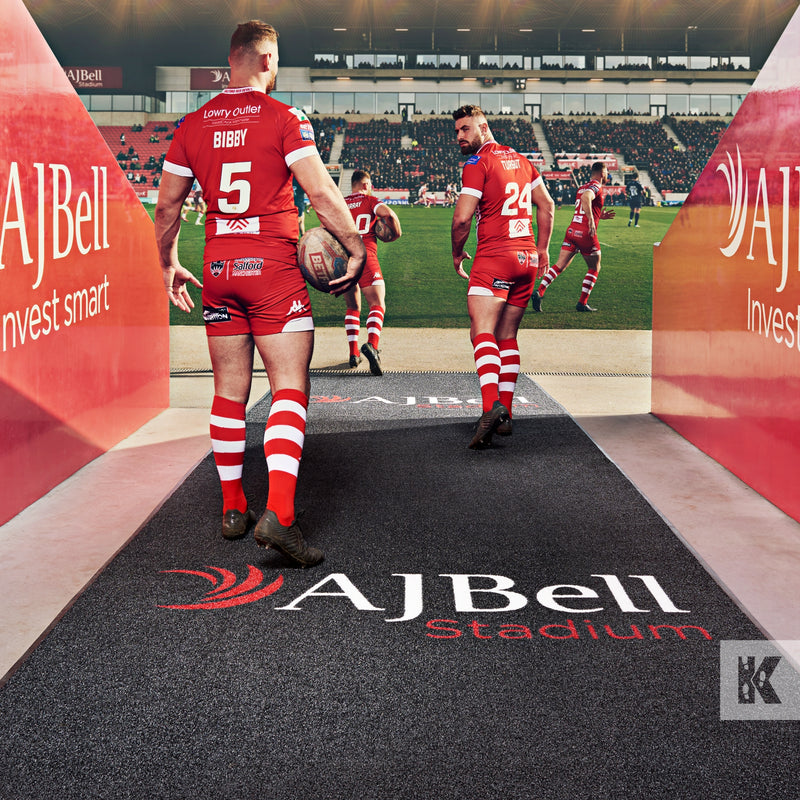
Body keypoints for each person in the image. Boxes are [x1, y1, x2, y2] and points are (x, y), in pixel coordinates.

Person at [154, 20, 366, 567]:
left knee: (229, 390)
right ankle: (281, 517)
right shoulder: (284, 116)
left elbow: (168, 205)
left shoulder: (192, 124)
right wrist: (355, 246)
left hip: (219, 267)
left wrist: (168, 262)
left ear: (232, 59)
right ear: (267, 60)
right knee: (289, 387)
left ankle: (232, 508)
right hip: (272, 268)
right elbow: (321, 191)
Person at [451, 104, 554, 449]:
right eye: (457, 131)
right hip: (527, 260)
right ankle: (505, 415)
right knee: (507, 335)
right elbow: (547, 205)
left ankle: (489, 408)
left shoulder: (477, 162)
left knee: (481, 331)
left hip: (495, 257)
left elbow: (462, 219)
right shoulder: (523, 161)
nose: (459, 136)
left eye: (465, 129)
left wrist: (456, 252)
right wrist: (543, 250)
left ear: (483, 127)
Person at [532, 161, 615, 313]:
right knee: (594, 267)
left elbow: (583, 204)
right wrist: (591, 220)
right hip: (585, 233)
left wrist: (598, 215)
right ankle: (582, 303)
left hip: (572, 231)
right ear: (602, 173)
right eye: (607, 172)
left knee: (560, 265)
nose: (607, 175)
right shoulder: (596, 186)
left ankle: (539, 291)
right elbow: (586, 198)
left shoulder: (582, 186)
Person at [342, 170, 402, 374]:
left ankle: (353, 354)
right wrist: (396, 233)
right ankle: (372, 346)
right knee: (377, 304)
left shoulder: (341, 203)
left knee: (352, 306)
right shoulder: (370, 200)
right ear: (366, 185)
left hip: (345, 258)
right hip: (366, 254)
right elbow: (388, 214)